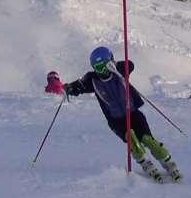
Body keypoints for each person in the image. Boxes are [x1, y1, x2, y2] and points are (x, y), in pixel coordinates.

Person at [64, 46, 182, 183]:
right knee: (132, 139)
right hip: (116, 121)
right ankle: (145, 162)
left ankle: (167, 162)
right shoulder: (93, 80)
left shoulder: (119, 71)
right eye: (97, 68)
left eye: (104, 66)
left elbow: (130, 64)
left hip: (133, 114)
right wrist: (70, 88)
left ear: (110, 62)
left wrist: (115, 68)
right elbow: (79, 85)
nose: (101, 71)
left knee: (148, 140)